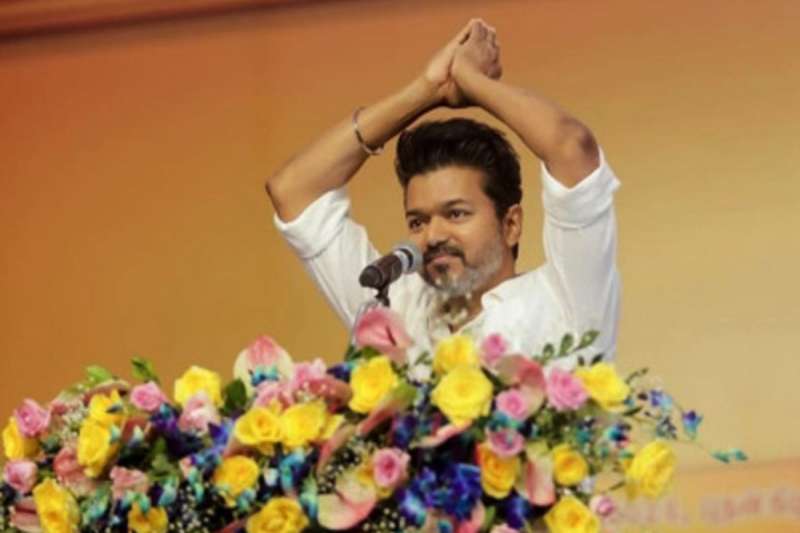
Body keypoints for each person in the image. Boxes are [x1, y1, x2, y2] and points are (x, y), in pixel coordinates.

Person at [265, 19, 620, 374]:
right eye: (417, 221)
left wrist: (473, 82)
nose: (432, 236)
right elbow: (294, 190)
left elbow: (572, 147)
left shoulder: (564, 300)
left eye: (456, 214)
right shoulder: (393, 305)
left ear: (511, 224)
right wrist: (427, 91)